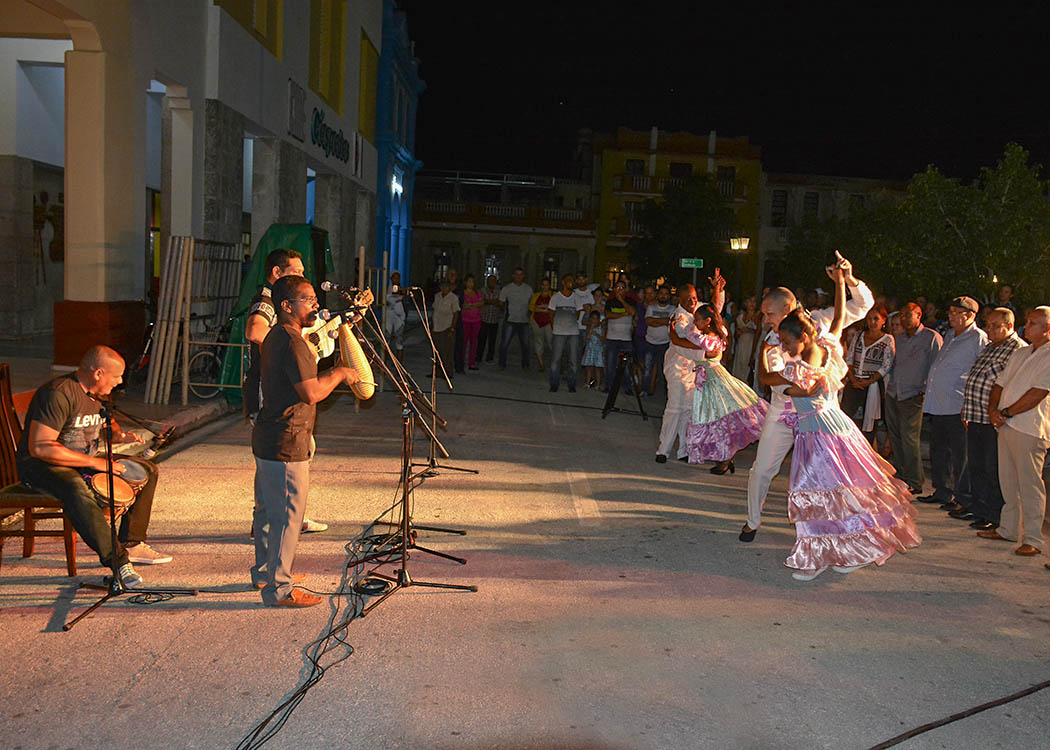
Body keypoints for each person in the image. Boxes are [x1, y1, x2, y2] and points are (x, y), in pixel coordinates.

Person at [775, 268, 921, 580]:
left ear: (803, 336)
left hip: (821, 432)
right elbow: (841, 314)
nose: (784, 347)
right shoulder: (828, 342)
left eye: (787, 341)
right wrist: (840, 283)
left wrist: (780, 383)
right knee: (836, 494)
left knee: (818, 493)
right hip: (829, 426)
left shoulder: (811, 358)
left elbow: (802, 388)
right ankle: (844, 551)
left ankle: (819, 556)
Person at [740, 252, 874, 541]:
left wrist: (846, 279)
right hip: (781, 414)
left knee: (826, 480)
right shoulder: (769, 341)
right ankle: (752, 521)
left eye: (769, 313)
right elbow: (775, 384)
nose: (764, 319)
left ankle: (835, 533)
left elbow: (860, 307)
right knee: (761, 469)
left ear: (787, 307)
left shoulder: (817, 326)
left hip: (818, 419)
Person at [17, 346, 171, 589]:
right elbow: (40, 447)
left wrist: (119, 436)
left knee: (147, 470)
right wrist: (96, 463)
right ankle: (118, 561)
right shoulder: (58, 393)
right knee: (74, 487)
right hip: (40, 466)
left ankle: (132, 542)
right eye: (116, 376)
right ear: (99, 373)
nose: (120, 382)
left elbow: (98, 426)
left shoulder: (96, 393)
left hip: (80, 459)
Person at [251, 275, 361, 606]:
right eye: (309, 301)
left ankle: (266, 573)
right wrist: (340, 373)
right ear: (286, 306)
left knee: (268, 514)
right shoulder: (293, 343)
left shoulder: (278, 336)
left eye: (316, 300)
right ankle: (279, 589)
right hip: (286, 442)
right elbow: (311, 392)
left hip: (269, 438)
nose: (316, 306)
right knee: (287, 518)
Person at [243, 248, 328, 534]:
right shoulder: (268, 301)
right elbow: (255, 331)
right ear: (278, 273)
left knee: (285, 460)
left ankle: (285, 516)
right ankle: (266, 520)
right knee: (273, 462)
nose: (302, 277)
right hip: (267, 393)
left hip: (277, 392)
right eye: (296, 272)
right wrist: (290, 345)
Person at [978, 306, 1050, 556]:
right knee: (1007, 481)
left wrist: (1006, 412)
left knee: (1029, 484)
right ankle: (1008, 528)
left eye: (1032, 323)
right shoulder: (1022, 352)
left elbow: (1038, 393)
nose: (1026, 327)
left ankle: (1033, 538)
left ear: (1047, 328)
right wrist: (993, 409)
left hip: (1029, 427)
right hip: (1007, 423)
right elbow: (999, 383)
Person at [955, 308, 1027, 530]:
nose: (990, 329)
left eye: (996, 326)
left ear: (1009, 326)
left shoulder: (1017, 349)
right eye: (988, 325)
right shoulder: (990, 347)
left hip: (995, 420)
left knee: (992, 468)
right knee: (976, 465)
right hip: (976, 415)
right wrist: (967, 411)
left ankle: (995, 515)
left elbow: (1012, 386)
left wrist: (1001, 413)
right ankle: (978, 508)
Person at [917, 296, 988, 511]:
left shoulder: (978, 338)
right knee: (939, 449)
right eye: (949, 312)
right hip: (939, 403)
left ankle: (963, 497)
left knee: (961, 454)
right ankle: (942, 491)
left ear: (969, 315)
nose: (950, 316)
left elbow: (982, 371)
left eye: (955, 313)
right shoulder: (950, 335)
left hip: (959, 404)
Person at [680, 304, 767, 474]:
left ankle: (725, 459)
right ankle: (725, 458)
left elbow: (688, 335)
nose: (694, 322)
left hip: (713, 380)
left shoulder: (706, 340)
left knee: (719, 421)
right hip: (710, 378)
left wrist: (681, 325)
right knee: (719, 421)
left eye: (697, 319)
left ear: (707, 321)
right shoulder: (716, 335)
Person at [656, 271, 726, 463]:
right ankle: (663, 449)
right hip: (677, 367)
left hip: (695, 370)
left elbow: (715, 309)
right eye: (687, 299)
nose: (692, 302)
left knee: (688, 409)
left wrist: (718, 289)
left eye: (694, 298)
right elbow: (680, 343)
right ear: (679, 299)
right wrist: (706, 350)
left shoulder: (699, 309)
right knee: (675, 407)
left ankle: (684, 450)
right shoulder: (677, 316)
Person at [883, 302, 942, 496]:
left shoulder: (930, 338)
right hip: (894, 392)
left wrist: (926, 390)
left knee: (909, 438)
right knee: (896, 435)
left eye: (909, 315)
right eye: (902, 315)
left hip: (913, 394)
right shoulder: (898, 339)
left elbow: (936, 367)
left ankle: (915, 480)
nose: (904, 318)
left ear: (919, 315)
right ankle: (902, 475)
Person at [839, 306, 894, 444]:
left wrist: (868, 381)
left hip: (873, 385)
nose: (872, 322)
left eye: (876, 319)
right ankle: (846, 447)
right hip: (854, 382)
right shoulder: (859, 335)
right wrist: (853, 378)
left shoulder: (888, 340)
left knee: (869, 423)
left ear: (883, 321)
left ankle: (866, 451)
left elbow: (886, 365)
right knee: (846, 416)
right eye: (869, 319)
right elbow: (850, 358)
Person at [547, 273, 583, 392]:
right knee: (556, 360)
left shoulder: (576, 298)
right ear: (563, 282)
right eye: (568, 280)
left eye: (572, 280)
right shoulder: (556, 297)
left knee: (573, 360)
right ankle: (554, 383)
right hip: (559, 332)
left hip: (573, 333)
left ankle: (571, 384)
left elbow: (577, 314)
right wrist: (556, 328)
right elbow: (551, 315)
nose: (571, 282)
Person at [602, 281, 636, 394]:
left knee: (626, 365)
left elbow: (632, 312)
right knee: (610, 364)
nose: (619, 290)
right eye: (617, 287)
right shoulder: (610, 302)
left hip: (626, 339)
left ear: (626, 289)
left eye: (622, 287)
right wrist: (623, 314)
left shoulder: (630, 301)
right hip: (612, 338)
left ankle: (628, 387)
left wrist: (622, 300)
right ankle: (609, 386)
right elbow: (608, 315)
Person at [642, 286, 676, 396]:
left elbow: (670, 322)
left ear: (669, 296)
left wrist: (656, 321)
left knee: (666, 370)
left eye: (666, 293)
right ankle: (645, 391)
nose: (663, 296)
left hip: (665, 344)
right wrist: (664, 321)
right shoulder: (651, 307)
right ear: (658, 295)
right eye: (661, 293)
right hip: (650, 343)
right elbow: (648, 321)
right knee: (647, 369)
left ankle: (668, 395)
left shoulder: (673, 309)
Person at [498, 267, 533, 371]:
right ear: (513, 276)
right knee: (504, 343)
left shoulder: (528, 289)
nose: (518, 277)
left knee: (526, 344)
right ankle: (502, 363)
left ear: (523, 276)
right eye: (516, 274)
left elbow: (532, 304)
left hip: (524, 321)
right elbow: (501, 302)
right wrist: (505, 311)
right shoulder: (507, 288)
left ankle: (526, 364)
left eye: (520, 275)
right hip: (510, 320)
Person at [431, 278, 460, 380]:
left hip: (447, 327)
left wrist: (452, 328)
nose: (444, 288)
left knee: (447, 350)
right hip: (436, 326)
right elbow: (434, 310)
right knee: (437, 350)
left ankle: (448, 372)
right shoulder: (437, 296)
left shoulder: (453, 298)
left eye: (446, 287)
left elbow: (456, 313)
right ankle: (437, 371)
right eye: (442, 287)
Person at [731, 296, 760, 383]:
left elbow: (760, 333)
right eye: (749, 301)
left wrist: (750, 330)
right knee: (738, 371)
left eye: (754, 301)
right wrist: (739, 333)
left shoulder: (758, 317)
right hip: (741, 347)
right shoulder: (740, 317)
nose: (751, 303)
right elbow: (735, 335)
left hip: (751, 347)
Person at [528, 278, 554, 371]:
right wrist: (543, 309)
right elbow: (531, 307)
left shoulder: (553, 295)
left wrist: (539, 307)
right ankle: (541, 363)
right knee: (538, 342)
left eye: (546, 284)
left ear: (549, 286)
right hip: (536, 321)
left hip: (549, 322)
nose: (544, 286)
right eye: (543, 284)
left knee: (551, 342)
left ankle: (555, 362)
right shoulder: (536, 295)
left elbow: (553, 307)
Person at [460, 273, 483, 371]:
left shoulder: (478, 293)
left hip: (476, 320)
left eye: (472, 282)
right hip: (465, 320)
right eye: (469, 281)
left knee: (474, 342)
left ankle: (471, 363)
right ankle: (461, 361)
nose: (471, 284)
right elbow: (464, 305)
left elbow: (481, 303)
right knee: (464, 341)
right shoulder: (462, 293)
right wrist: (474, 305)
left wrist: (471, 305)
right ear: (465, 282)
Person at [478, 274, 502, 363]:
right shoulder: (482, 290)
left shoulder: (499, 291)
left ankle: (490, 357)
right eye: (490, 280)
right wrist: (492, 302)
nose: (492, 282)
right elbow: (481, 302)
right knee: (481, 340)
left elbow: (500, 303)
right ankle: (479, 357)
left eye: (493, 281)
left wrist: (488, 301)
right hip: (484, 319)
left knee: (492, 340)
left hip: (494, 319)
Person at [384, 270, 406, 363]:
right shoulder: (386, 289)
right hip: (389, 315)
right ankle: (384, 362)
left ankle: (399, 364)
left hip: (398, 316)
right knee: (386, 338)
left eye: (398, 278)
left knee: (399, 341)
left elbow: (404, 302)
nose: (396, 280)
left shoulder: (402, 289)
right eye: (394, 277)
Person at [447, 268, 465, 375]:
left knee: (458, 344)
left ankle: (459, 367)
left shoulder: (460, 288)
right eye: (450, 274)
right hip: (443, 319)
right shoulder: (443, 287)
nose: (452, 276)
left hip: (457, 319)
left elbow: (461, 303)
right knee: (443, 345)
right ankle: (443, 368)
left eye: (454, 274)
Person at [581, 310, 606, 389]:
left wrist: (597, 335)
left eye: (596, 319)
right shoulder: (589, 327)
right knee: (588, 367)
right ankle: (587, 383)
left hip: (598, 349)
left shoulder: (601, 328)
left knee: (597, 368)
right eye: (592, 318)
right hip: (590, 349)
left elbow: (603, 339)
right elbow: (587, 337)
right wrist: (591, 328)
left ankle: (598, 384)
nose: (594, 320)